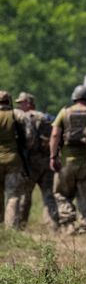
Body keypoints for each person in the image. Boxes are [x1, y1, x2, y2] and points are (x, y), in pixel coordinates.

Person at [50, 85, 86, 233]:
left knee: (62, 194)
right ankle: (84, 228)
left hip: (66, 164)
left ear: (74, 98)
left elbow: (55, 135)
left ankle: (68, 225)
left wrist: (52, 157)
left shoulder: (64, 113)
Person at [15, 92, 60, 228]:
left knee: (25, 194)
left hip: (31, 163)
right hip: (47, 162)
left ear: (28, 103)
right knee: (48, 194)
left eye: (22, 103)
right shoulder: (46, 117)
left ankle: (21, 225)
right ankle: (53, 225)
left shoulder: (24, 118)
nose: (20, 106)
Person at [0, 90, 31, 229]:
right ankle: (11, 228)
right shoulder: (17, 114)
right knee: (12, 195)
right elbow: (29, 137)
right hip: (13, 160)